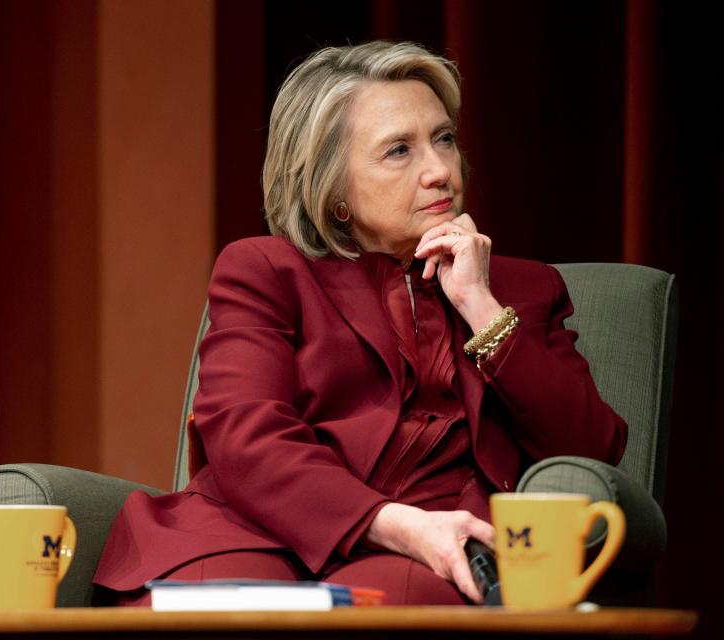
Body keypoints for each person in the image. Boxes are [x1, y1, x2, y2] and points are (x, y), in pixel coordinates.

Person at [93, 41, 627, 606]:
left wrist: (480, 306)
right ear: (334, 189)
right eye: (399, 150)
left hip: (431, 549)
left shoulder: (523, 290)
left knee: (392, 603)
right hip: (255, 533)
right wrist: (392, 521)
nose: (440, 171)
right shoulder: (266, 271)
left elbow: (592, 448)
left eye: (443, 139)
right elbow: (247, 435)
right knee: (223, 605)